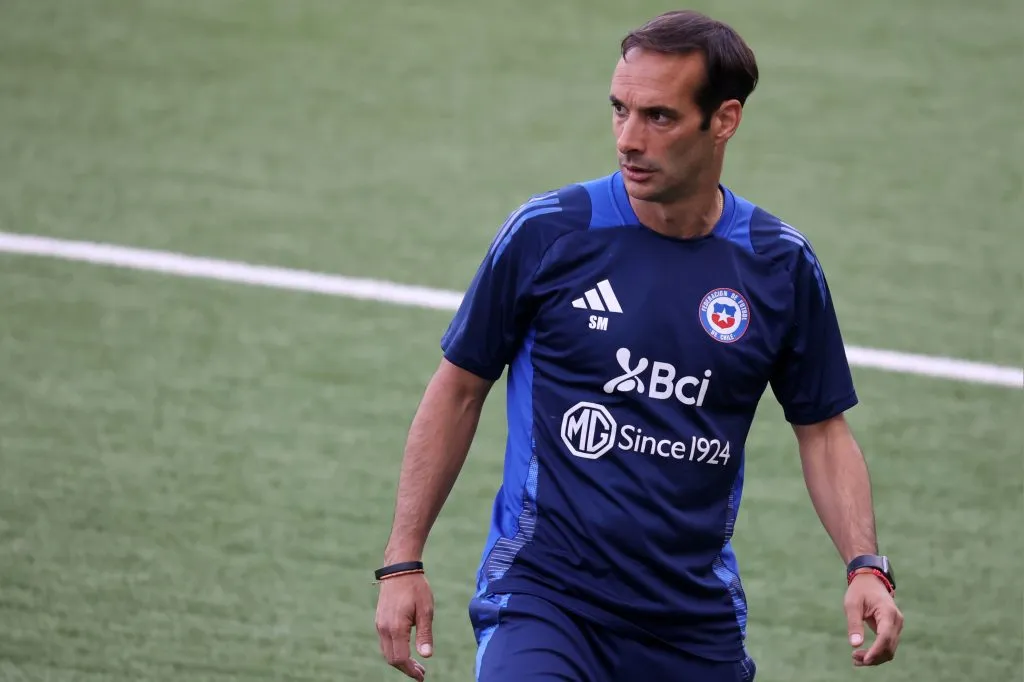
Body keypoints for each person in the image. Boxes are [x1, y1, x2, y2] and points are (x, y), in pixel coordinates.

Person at [373, 9, 903, 681]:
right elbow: (458, 389)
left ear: (724, 120)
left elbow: (823, 431)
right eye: (619, 110)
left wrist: (864, 565)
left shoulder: (779, 266)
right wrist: (403, 560)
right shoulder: (550, 234)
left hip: (692, 623)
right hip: (546, 600)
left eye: (659, 117)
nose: (628, 139)